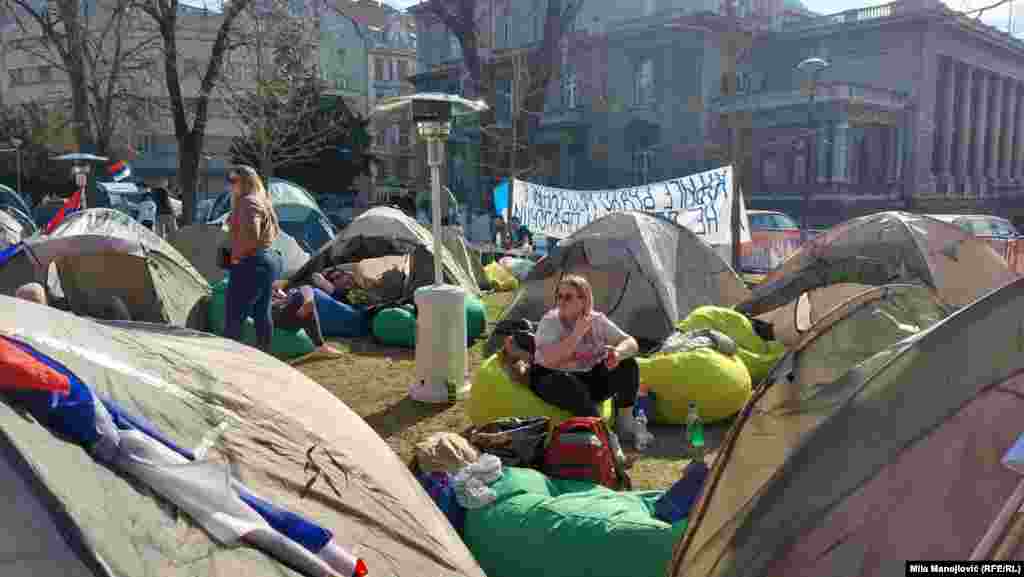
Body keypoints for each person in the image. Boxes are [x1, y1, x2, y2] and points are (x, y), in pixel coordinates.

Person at [525, 275, 642, 440]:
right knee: (566, 382)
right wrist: (577, 334)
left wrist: (617, 354)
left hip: (587, 378)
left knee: (628, 363)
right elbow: (550, 359)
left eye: (568, 297)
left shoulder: (597, 320)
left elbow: (631, 343)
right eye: (559, 296)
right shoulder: (550, 321)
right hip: (550, 378)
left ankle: (625, 422)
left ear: (584, 300)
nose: (561, 301)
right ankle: (602, 433)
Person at [224, 165, 283, 353]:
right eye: (229, 180)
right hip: (268, 259)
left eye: (233, 180)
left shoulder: (247, 202)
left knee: (234, 317)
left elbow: (251, 235)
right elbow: (274, 232)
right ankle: (265, 354)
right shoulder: (262, 200)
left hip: (252, 262)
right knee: (261, 313)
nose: (230, 185)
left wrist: (237, 258)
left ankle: (229, 359)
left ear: (246, 182)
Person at [271, 283, 343, 356]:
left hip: (285, 309)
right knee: (300, 298)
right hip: (274, 318)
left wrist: (284, 297)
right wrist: (278, 302)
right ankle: (320, 345)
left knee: (305, 289)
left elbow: (282, 294)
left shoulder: (273, 285)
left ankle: (308, 301)